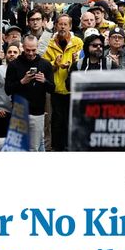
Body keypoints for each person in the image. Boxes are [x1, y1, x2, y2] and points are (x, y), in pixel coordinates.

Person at [5, 34, 55, 152]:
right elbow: (8, 90)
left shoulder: (45, 64)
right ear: (22, 47)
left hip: (37, 112)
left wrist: (44, 81)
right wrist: (22, 81)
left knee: (34, 147)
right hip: (19, 111)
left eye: (33, 50)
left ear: (37, 47)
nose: (31, 53)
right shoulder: (14, 65)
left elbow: (52, 89)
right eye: (28, 50)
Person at [42, 13, 83, 150]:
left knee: (71, 120)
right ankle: (57, 147)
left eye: (66, 24)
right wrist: (56, 64)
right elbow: (45, 66)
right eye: (60, 24)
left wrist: (74, 62)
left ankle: (70, 147)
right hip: (57, 88)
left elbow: (82, 63)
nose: (63, 27)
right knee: (57, 121)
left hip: (73, 88)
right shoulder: (50, 43)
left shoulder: (78, 42)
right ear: (55, 25)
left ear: (70, 26)